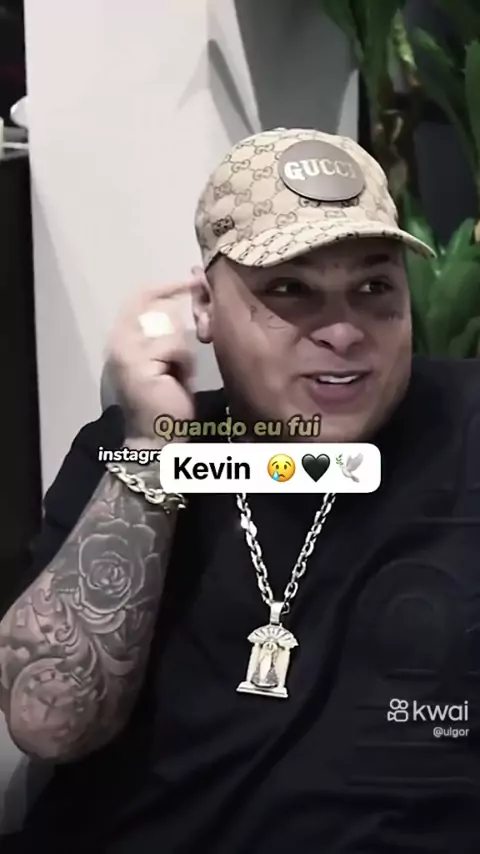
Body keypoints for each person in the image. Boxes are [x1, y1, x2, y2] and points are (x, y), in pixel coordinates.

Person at [0, 127, 479, 854]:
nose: (344, 331)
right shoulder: (130, 450)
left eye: (374, 288)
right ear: (204, 308)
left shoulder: (467, 427)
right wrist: (155, 451)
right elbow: (49, 722)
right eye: (289, 289)